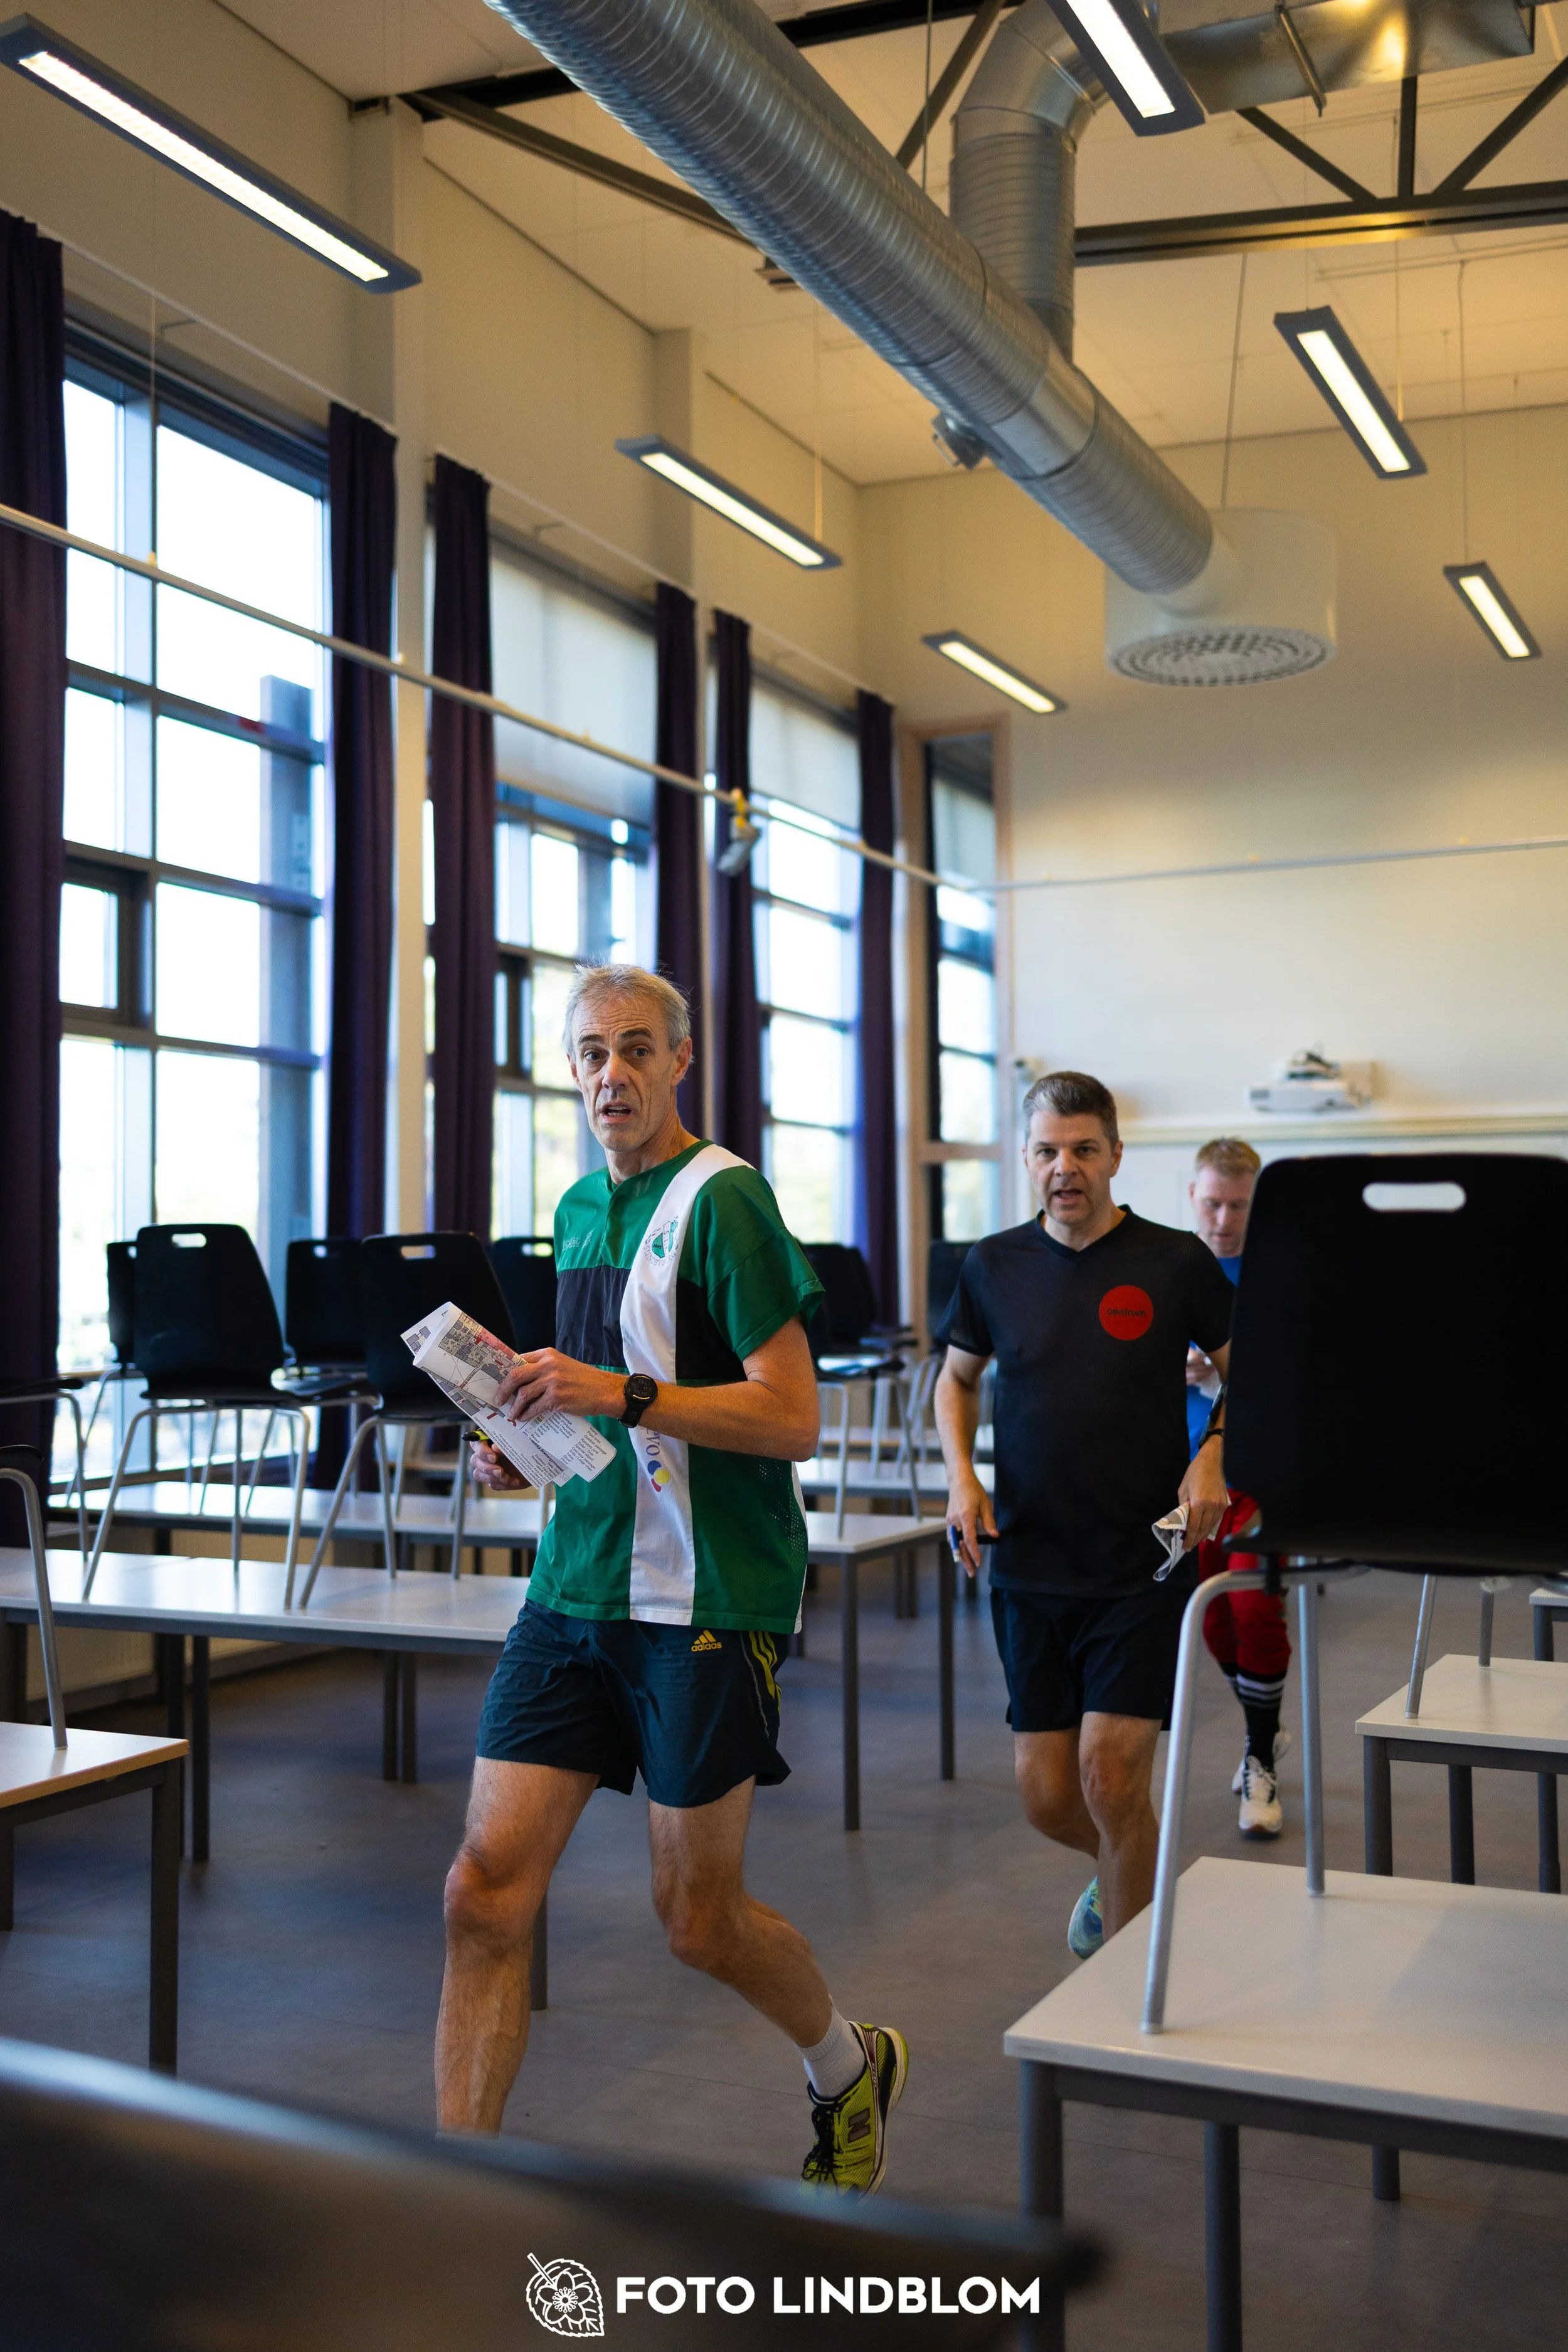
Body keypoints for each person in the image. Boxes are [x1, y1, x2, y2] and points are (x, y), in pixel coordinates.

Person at [434, 964, 907, 2197]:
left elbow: (793, 1415)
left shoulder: (727, 1202)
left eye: (636, 1050)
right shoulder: (580, 1210)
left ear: (679, 1062)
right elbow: (597, 1417)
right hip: (571, 1589)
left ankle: (845, 2067)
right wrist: (524, 1436)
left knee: (696, 1921)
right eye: (590, 1053)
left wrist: (616, 1392)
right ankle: (449, 2203)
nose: (611, 1075)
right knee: (483, 1892)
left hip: (703, 1598)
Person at [936, 1071, 1234, 1961]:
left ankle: (1132, 1979)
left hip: (1139, 1563)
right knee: (1047, 1795)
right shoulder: (993, 1265)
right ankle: (1128, 1865)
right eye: (1046, 1150)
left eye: (1082, 1149)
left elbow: (1244, 1368)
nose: (1064, 1167)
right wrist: (961, 1478)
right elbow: (954, 1379)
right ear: (1027, 1158)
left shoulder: (1175, 1260)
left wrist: (1213, 1448)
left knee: (1111, 1772)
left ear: (1113, 1154)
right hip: (1029, 1558)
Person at [1185, 1137, 1292, 1841]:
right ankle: (1266, 1724)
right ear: (1192, 1198)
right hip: (1181, 1478)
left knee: (1254, 1613)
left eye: (1238, 1205)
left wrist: (1223, 1375)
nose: (1224, 1218)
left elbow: (1298, 1380)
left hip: (1257, 1475)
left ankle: (1259, 1755)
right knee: (1211, 1622)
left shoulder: (1279, 1276)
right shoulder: (1167, 1269)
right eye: (1213, 1203)